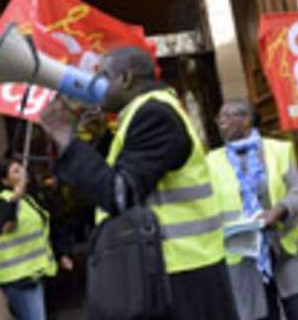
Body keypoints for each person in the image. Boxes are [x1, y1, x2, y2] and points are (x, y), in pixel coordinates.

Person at [38, 46, 239, 320]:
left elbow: (120, 194)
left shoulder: (154, 114)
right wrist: (94, 140)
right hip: (175, 266)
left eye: (103, 76)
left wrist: (64, 136)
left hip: (181, 272)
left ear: (125, 79)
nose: (95, 85)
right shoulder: (145, 113)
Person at [207, 99, 298, 320]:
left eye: (228, 117)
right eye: (220, 118)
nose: (221, 123)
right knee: (262, 315)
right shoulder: (211, 161)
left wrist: (278, 210)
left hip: (282, 246)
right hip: (244, 255)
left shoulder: (277, 150)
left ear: (246, 119)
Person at [0, 158, 72, 320]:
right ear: (5, 181)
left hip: (32, 273)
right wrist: (16, 196)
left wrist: (61, 254)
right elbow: (5, 227)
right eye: (16, 171)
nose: (22, 172)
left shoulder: (28, 200)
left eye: (21, 169)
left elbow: (44, 230)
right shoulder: (2, 202)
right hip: (17, 278)